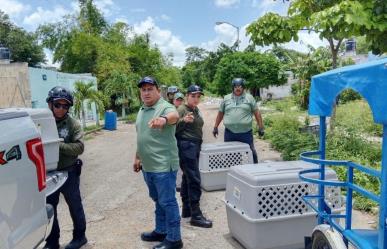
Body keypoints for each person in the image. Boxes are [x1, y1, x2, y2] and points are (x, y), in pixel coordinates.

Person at [133, 76, 183, 249]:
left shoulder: (164, 106)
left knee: (168, 202)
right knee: (158, 200)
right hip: (148, 166)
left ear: (158, 90)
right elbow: (142, 137)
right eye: (143, 89)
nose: (146, 93)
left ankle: (175, 239)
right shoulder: (142, 109)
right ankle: (161, 231)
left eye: (149, 89)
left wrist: (163, 120)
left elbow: (174, 115)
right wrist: (138, 157)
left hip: (163, 166)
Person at [44, 86, 87, 249]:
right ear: (50, 104)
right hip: (48, 174)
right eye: (57, 105)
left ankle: (80, 236)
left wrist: (56, 145)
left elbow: (79, 147)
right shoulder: (41, 123)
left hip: (69, 172)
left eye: (65, 106)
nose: (61, 109)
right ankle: (52, 241)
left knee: (75, 205)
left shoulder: (73, 124)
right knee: (50, 208)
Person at [176, 85, 212, 228]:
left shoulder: (194, 109)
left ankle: (187, 210)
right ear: (187, 96)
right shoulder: (182, 109)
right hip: (186, 146)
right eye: (193, 96)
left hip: (194, 146)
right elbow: (172, 128)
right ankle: (196, 215)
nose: (196, 99)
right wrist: (184, 121)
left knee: (187, 177)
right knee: (195, 179)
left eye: (198, 96)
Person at [213, 78, 264, 163]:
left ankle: (255, 169)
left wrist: (261, 127)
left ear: (243, 87)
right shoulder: (226, 98)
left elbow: (257, 113)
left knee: (251, 153)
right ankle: (234, 172)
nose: (238, 88)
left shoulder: (249, 98)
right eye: (236, 86)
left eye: (240, 86)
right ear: (233, 87)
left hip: (246, 133)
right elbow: (220, 113)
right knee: (230, 155)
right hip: (230, 133)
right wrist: (215, 127)